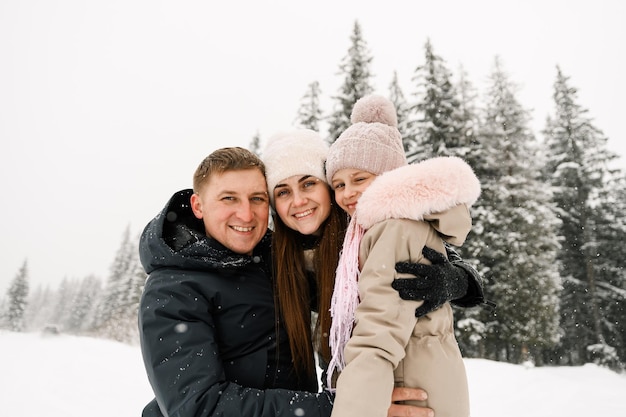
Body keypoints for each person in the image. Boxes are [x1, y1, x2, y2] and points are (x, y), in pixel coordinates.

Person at [138, 146, 433, 417]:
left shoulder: (274, 260)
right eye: (229, 198)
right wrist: (345, 407)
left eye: (257, 199)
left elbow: (356, 281)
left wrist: (455, 278)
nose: (246, 213)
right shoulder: (172, 290)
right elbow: (200, 407)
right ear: (198, 206)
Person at [324, 95, 481, 417]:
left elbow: (377, 334)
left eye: (359, 179)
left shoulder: (393, 229)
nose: (346, 193)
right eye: (338, 184)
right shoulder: (374, 229)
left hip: (410, 388)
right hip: (419, 376)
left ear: (389, 177)